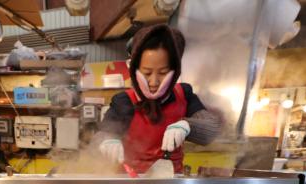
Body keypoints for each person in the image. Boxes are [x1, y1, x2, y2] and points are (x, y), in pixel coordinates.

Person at [93, 24, 222, 173]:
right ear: (134, 69)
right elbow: (102, 134)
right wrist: (106, 141)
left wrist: (187, 126)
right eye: (147, 73)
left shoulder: (184, 94)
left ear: (175, 71)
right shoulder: (124, 101)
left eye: (162, 72)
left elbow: (211, 129)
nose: (154, 82)